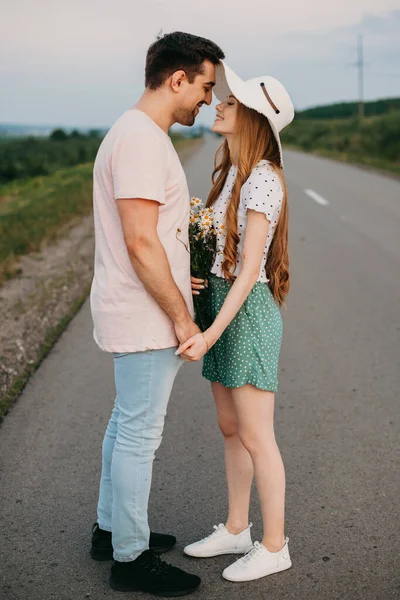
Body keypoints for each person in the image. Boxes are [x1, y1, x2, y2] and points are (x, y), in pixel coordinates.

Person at [89, 32, 224, 596]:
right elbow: (141, 242)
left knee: (125, 426)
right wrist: (183, 317)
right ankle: (129, 558)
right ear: (178, 79)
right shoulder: (142, 140)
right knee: (139, 435)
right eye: (206, 86)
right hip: (146, 317)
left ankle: (110, 529)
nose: (209, 101)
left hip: (140, 305)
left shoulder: (137, 134)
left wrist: (178, 270)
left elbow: (152, 240)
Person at [177, 61, 295, 583]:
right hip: (224, 305)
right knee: (231, 428)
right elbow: (221, 258)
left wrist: (208, 333)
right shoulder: (231, 171)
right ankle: (236, 527)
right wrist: (196, 277)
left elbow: (249, 273)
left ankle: (274, 546)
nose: (220, 103)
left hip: (244, 315)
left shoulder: (265, 180)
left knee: (257, 435)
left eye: (232, 100)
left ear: (253, 118)